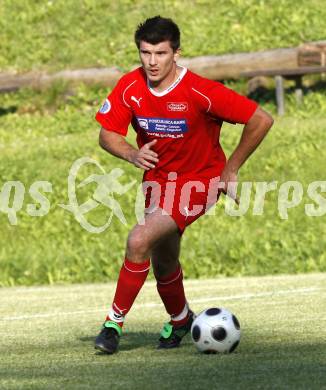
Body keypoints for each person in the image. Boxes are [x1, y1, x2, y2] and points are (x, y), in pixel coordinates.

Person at [94, 15, 273, 354]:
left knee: (139, 238)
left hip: (199, 183)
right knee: (163, 261)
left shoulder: (200, 91)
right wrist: (132, 154)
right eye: (145, 53)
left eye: (160, 53)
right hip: (158, 185)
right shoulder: (130, 86)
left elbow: (261, 119)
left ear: (176, 53)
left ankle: (112, 324)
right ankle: (180, 320)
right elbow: (106, 133)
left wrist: (231, 169)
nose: (152, 62)